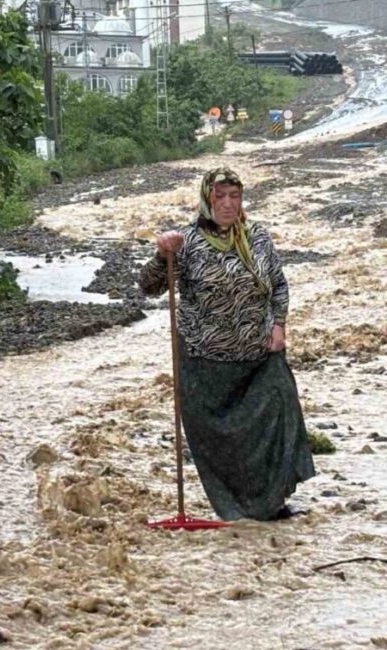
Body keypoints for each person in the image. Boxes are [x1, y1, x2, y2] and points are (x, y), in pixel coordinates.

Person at [138, 167, 316, 521]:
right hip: (206, 361)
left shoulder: (258, 238)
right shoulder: (185, 243)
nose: (228, 204)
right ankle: (235, 508)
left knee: (279, 415)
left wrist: (278, 325)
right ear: (207, 199)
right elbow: (149, 287)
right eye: (220, 196)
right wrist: (162, 255)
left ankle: (270, 502)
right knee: (223, 441)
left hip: (259, 355)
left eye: (235, 196)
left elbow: (278, 285)